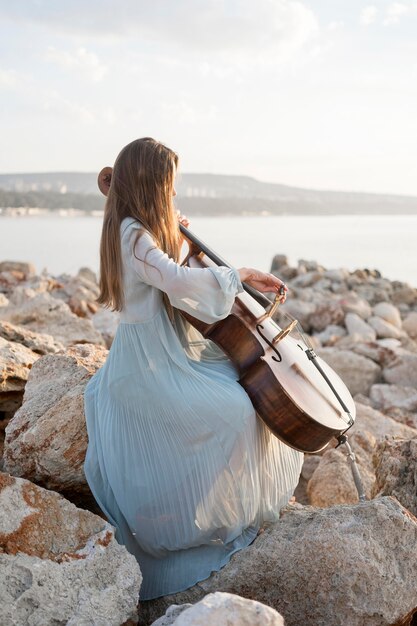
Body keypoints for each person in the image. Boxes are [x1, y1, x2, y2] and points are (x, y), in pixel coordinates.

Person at [83, 137, 303, 601]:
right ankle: (202, 518)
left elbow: (177, 277)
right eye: (170, 186)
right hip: (149, 361)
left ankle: (220, 505)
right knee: (235, 411)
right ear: (150, 184)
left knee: (238, 391)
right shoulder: (133, 236)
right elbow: (177, 281)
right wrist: (237, 275)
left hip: (169, 348)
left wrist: (181, 240)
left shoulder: (141, 229)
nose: (174, 196)